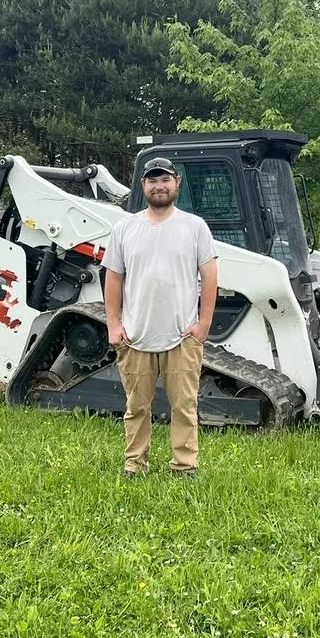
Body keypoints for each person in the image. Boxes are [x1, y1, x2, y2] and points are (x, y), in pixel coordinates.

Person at [103, 156, 218, 477]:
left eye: (165, 179)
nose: (159, 186)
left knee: (184, 407)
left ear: (176, 183)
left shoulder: (195, 228)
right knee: (136, 407)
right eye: (152, 180)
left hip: (182, 337)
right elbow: (113, 279)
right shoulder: (125, 229)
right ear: (143, 186)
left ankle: (184, 466)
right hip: (136, 336)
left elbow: (210, 276)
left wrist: (203, 324)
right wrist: (114, 324)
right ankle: (135, 464)